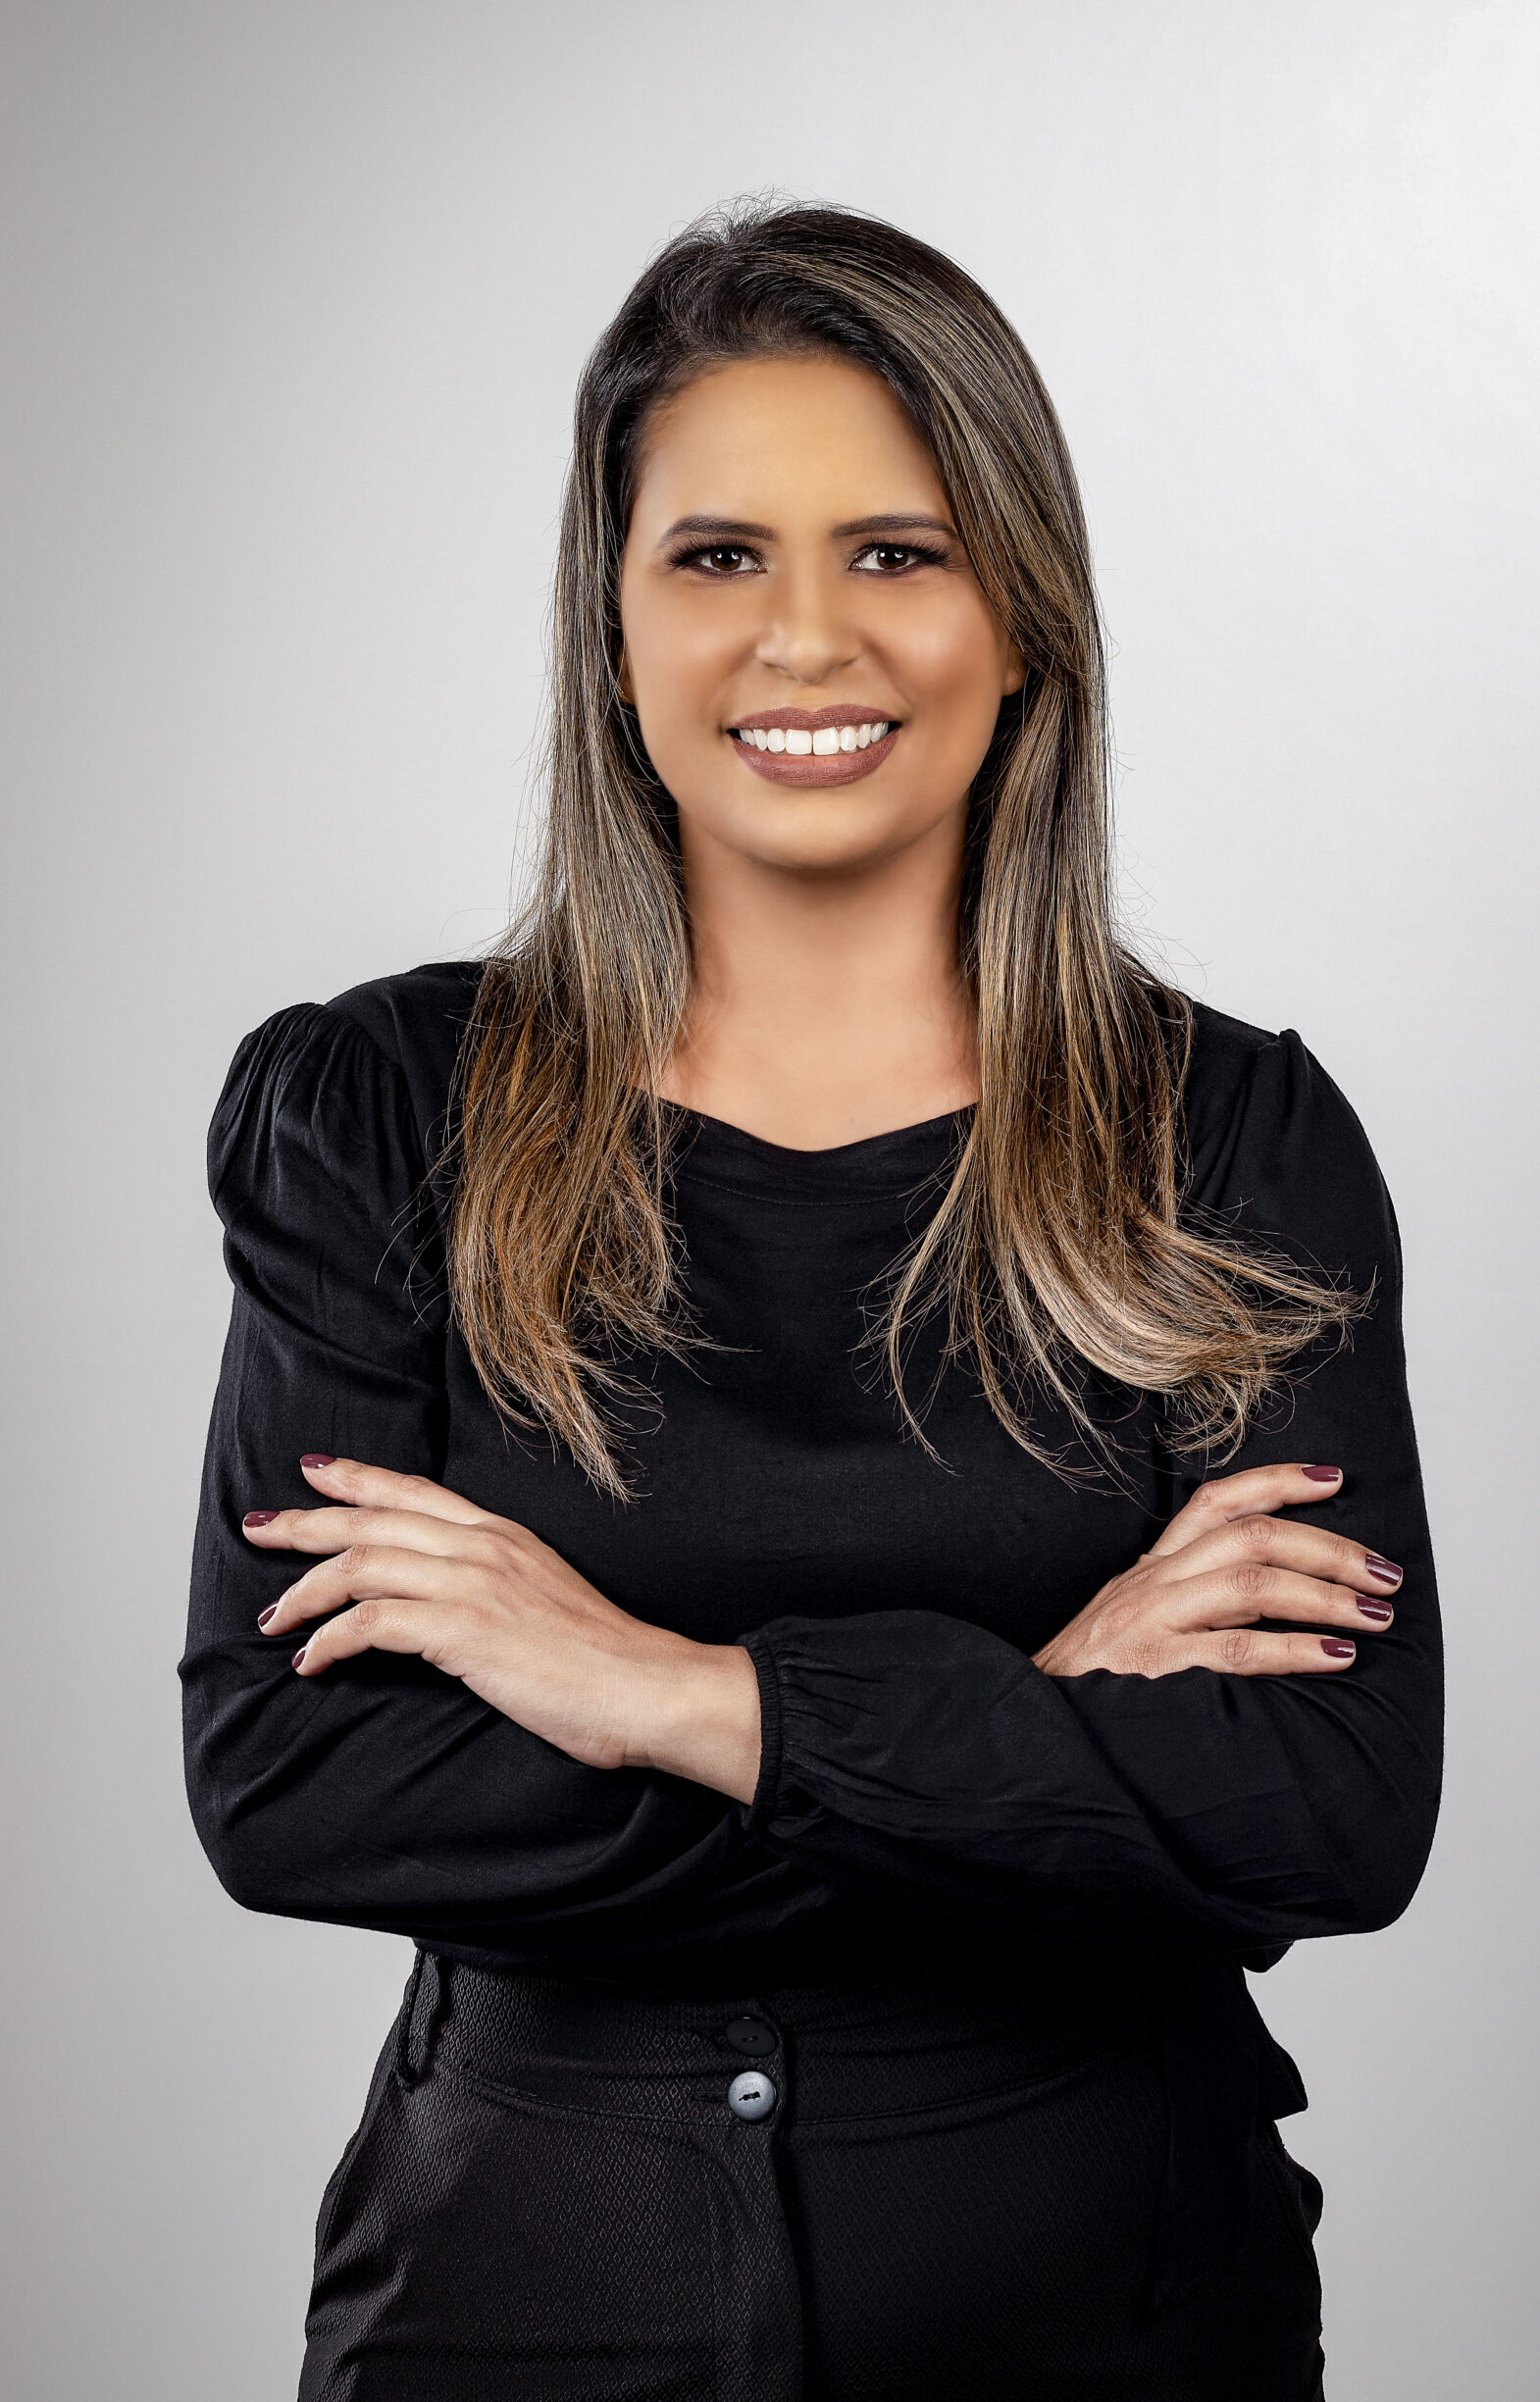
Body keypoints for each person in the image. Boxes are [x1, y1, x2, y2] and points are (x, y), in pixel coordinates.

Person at [181, 202, 1443, 2402]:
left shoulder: (1228, 1143)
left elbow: (1325, 1802)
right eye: (715, 556)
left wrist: (669, 1693)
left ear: (1020, 616)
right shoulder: (379, 1117)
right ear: (611, 627)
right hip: (517, 2310)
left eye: (894, 552)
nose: (804, 636)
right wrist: (1026, 1713)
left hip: (1123, 2320)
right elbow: (299, 1777)